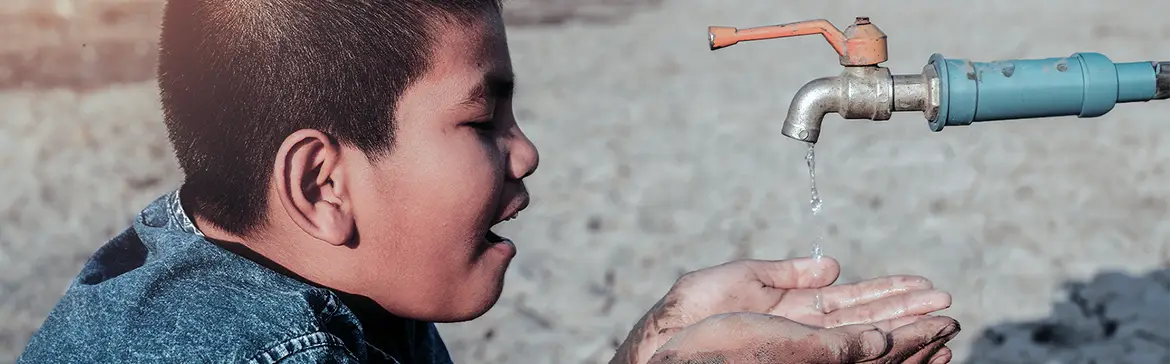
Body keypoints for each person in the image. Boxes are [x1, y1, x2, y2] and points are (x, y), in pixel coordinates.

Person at [17, 0, 959, 363]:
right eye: (482, 118)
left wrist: (651, 349)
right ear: (321, 185)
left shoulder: (329, 270)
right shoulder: (252, 354)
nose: (526, 152)